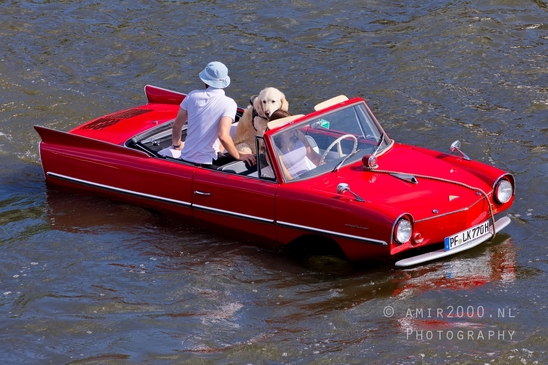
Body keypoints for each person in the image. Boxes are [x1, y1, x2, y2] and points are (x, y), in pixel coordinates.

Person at [171, 61, 255, 168]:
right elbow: (223, 136)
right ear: (224, 83)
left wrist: (177, 145)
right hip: (207, 163)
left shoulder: (192, 96)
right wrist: (238, 155)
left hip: (185, 158)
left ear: (205, 81)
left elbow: (176, 126)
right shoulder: (229, 103)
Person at [270, 110, 322, 180]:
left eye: (291, 124)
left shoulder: (297, 134)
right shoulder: (273, 149)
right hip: (295, 184)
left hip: (309, 176)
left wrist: (328, 166)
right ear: (277, 130)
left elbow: (314, 157)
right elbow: (287, 178)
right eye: (286, 126)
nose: (292, 128)